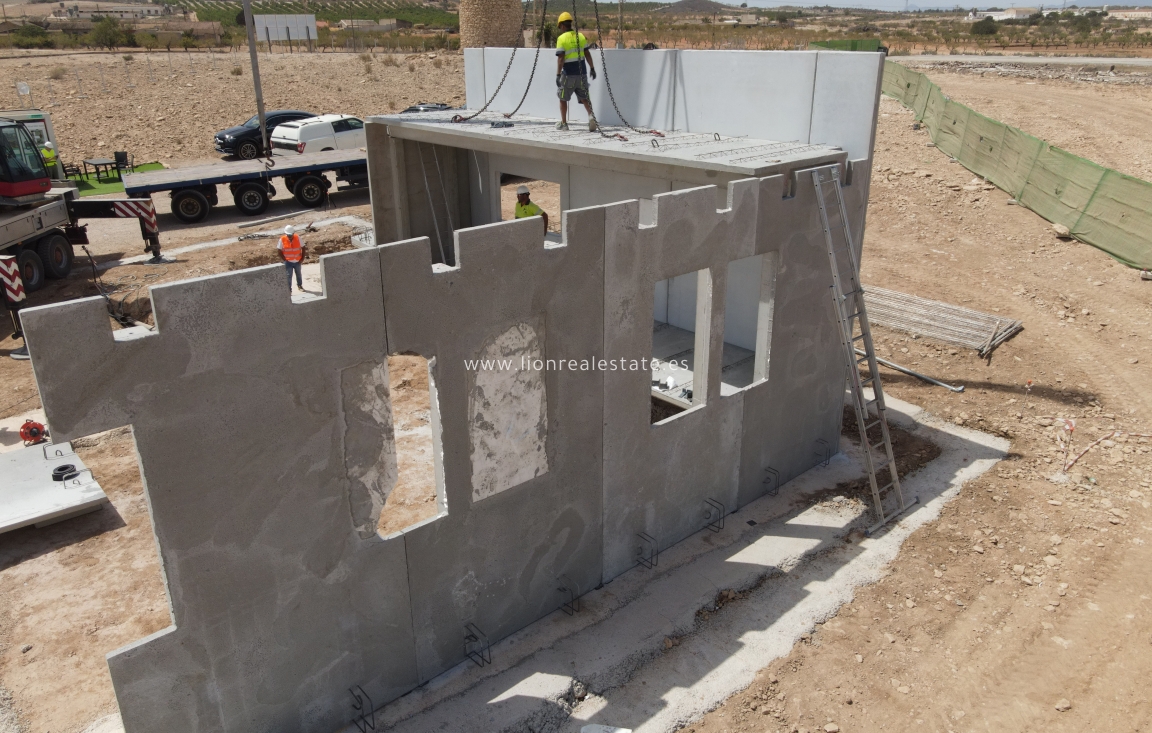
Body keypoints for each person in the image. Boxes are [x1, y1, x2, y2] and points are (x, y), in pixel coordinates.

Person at [554, 11, 597, 132]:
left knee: (563, 98)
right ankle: (591, 116)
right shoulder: (581, 36)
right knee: (584, 97)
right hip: (582, 73)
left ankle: (564, 124)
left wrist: (558, 75)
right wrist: (592, 68)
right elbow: (587, 54)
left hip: (568, 74)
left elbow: (561, 58)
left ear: (562, 25)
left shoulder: (561, 39)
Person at [278, 225, 305, 291]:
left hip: (297, 261)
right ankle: (289, 289)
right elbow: (279, 250)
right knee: (288, 276)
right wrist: (284, 259)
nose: (289, 236)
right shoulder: (282, 239)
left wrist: (302, 259)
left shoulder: (297, 237)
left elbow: (303, 248)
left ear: (293, 233)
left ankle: (300, 286)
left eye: (291, 235)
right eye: (288, 235)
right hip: (288, 262)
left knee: (298, 274)